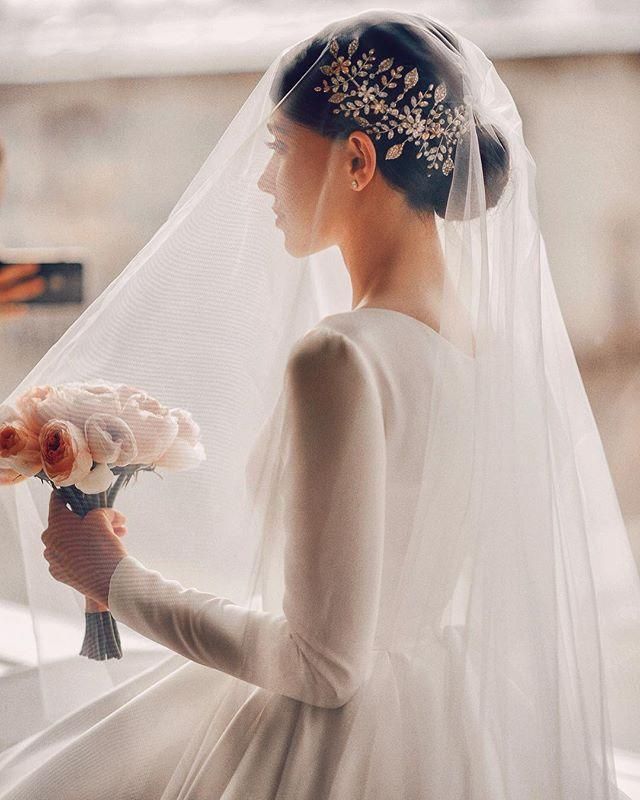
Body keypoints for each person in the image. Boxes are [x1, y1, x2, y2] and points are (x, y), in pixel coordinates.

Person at [0, 10, 639, 799]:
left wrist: (115, 577)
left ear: (359, 159)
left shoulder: (340, 355)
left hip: (333, 749)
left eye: (278, 149)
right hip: (445, 726)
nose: (264, 179)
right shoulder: (486, 347)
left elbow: (324, 666)